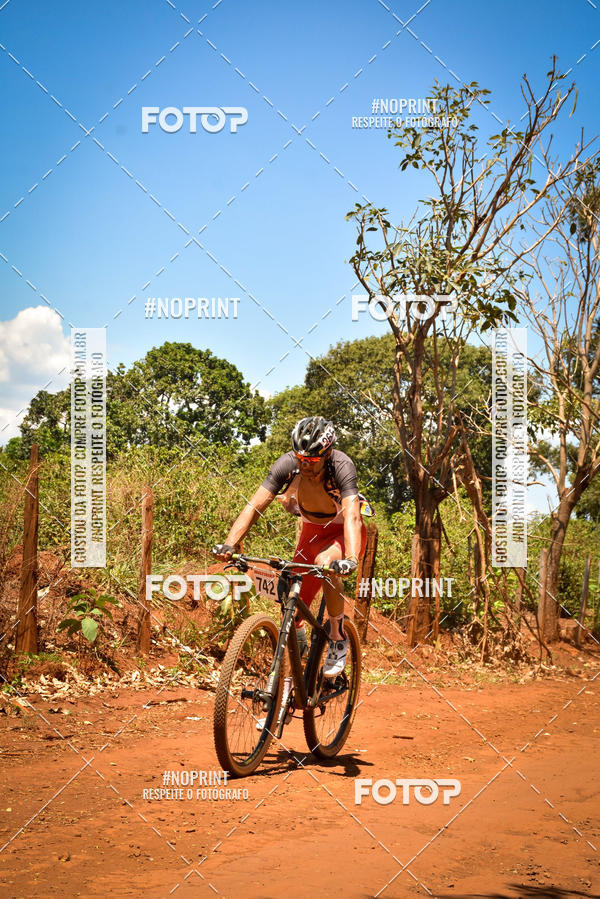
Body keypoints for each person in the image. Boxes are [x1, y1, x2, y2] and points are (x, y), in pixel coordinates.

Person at [214, 416, 368, 677]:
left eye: (311, 461)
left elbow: (352, 515)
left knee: (325, 564)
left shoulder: (341, 465)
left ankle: (337, 635)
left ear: (327, 453)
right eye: (301, 460)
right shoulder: (288, 463)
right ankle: (293, 671)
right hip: (311, 533)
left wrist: (350, 558)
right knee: (291, 605)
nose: (304, 466)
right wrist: (230, 543)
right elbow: (254, 506)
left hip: (341, 533)